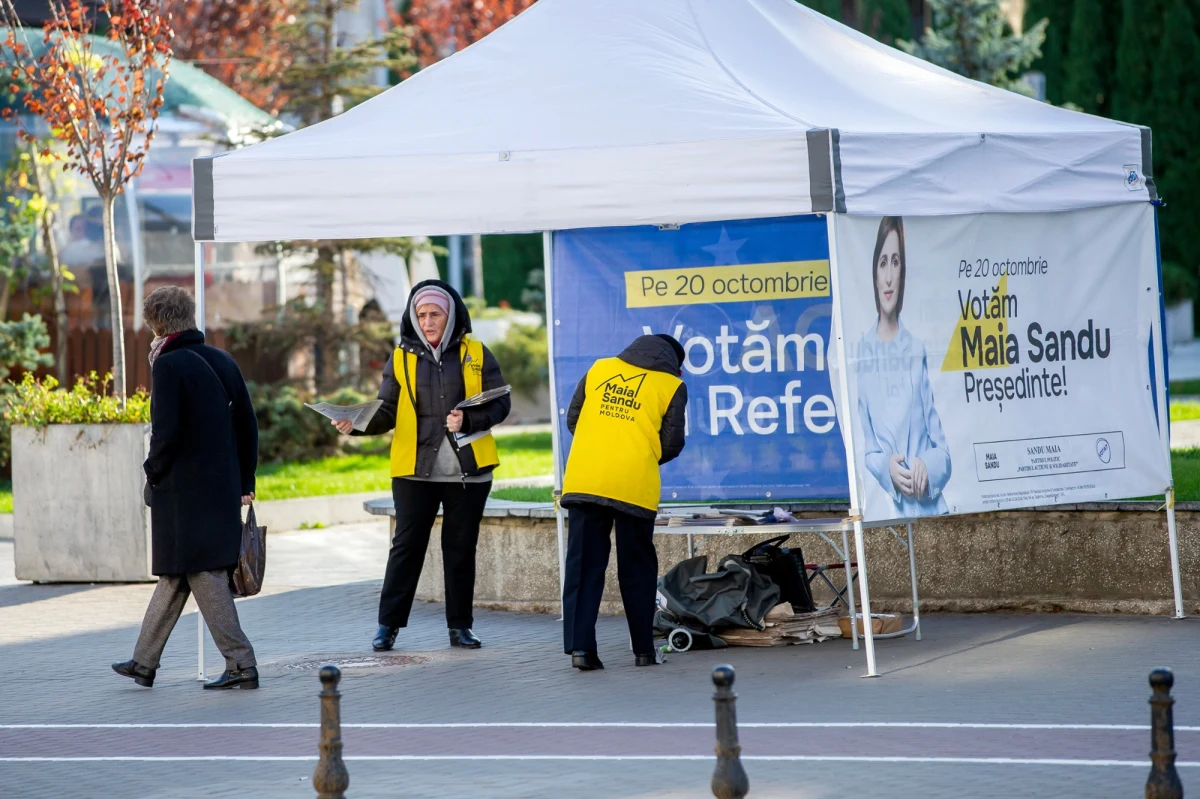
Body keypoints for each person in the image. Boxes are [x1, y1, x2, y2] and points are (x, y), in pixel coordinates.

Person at [335, 280, 510, 652]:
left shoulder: (477, 352)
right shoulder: (400, 357)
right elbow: (386, 410)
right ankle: (388, 626)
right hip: (415, 470)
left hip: (469, 471)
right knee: (406, 546)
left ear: (450, 316)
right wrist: (357, 425)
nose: (428, 321)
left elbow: (500, 403)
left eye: (435, 314)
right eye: (421, 314)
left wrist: (470, 421)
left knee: (460, 549)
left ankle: (460, 627)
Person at [112, 286, 260, 690]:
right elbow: (248, 425)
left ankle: (242, 663)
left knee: (204, 573)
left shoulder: (169, 365)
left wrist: (152, 472)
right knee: (177, 574)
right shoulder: (222, 359)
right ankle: (143, 662)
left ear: (155, 322)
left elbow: (166, 433)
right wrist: (245, 480)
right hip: (220, 488)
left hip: (182, 494)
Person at [559, 334, 688, 670]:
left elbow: (574, 419)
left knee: (583, 567)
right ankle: (644, 651)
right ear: (675, 363)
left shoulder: (600, 369)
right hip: (634, 484)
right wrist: (636, 455)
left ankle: (581, 651)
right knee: (637, 569)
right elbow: (672, 443)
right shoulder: (671, 386)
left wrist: (602, 447)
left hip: (586, 478)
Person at [856, 216, 951, 517]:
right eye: (882, 262)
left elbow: (943, 452)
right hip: (887, 511)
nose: (888, 276)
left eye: (895, 262)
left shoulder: (917, 349)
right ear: (873, 272)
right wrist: (887, 470)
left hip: (930, 511)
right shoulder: (860, 354)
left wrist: (927, 464)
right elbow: (865, 446)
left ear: (903, 272)